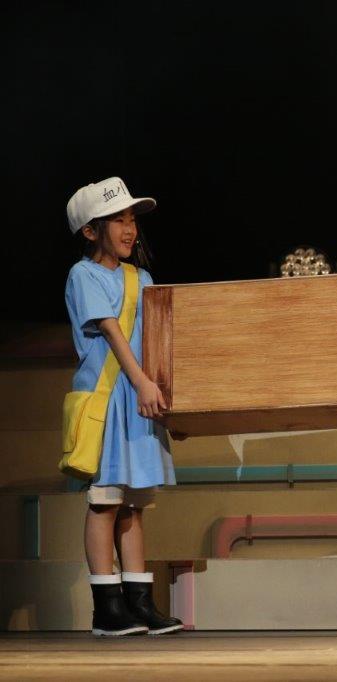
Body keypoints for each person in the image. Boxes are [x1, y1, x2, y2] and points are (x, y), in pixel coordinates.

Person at [65, 177, 181, 636]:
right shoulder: (83, 275)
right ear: (90, 230)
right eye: (117, 219)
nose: (129, 228)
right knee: (105, 503)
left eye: (132, 219)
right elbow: (112, 333)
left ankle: (139, 602)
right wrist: (142, 383)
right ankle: (106, 608)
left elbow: (153, 339)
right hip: (108, 400)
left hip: (139, 402)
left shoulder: (141, 278)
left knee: (134, 504)